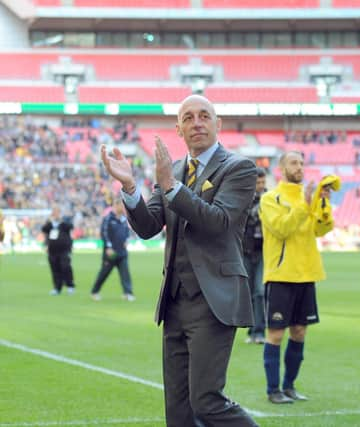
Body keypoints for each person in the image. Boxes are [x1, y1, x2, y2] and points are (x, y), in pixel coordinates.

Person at [101, 94, 258, 427]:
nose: (196, 122)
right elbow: (147, 227)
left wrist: (170, 187)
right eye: (188, 118)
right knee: (178, 410)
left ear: (219, 124)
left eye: (204, 116)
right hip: (174, 302)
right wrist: (130, 186)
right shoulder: (171, 171)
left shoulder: (239, 168)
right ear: (178, 129)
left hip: (214, 299)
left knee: (206, 401)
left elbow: (219, 222)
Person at [259, 151, 337, 404]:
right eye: (294, 162)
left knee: (300, 332)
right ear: (281, 168)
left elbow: (321, 229)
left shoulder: (309, 198)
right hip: (281, 274)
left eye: (302, 163)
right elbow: (281, 228)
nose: (299, 167)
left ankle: (289, 387)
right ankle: (273, 391)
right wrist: (306, 203)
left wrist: (323, 204)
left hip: (307, 273)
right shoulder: (271, 199)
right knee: (276, 334)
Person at [90, 198, 134, 301]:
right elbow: (104, 233)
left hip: (122, 252)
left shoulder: (124, 219)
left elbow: (127, 232)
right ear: (116, 205)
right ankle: (94, 291)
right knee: (104, 273)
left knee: (125, 273)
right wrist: (108, 247)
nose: (124, 208)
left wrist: (127, 240)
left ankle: (128, 293)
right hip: (111, 252)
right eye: (122, 206)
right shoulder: (108, 218)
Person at [243, 167, 267, 344]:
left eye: (262, 182)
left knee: (259, 291)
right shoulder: (243, 200)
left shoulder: (271, 200)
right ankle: (252, 329)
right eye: (257, 182)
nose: (260, 186)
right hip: (246, 251)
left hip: (264, 251)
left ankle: (260, 331)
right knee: (249, 291)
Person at [41, 205, 76, 296]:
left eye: (57, 212)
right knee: (55, 269)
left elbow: (70, 227)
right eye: (54, 212)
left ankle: (70, 286)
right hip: (52, 250)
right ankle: (57, 288)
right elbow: (44, 230)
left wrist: (61, 221)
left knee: (66, 267)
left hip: (64, 249)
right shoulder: (50, 224)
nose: (55, 214)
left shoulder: (65, 221)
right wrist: (50, 221)